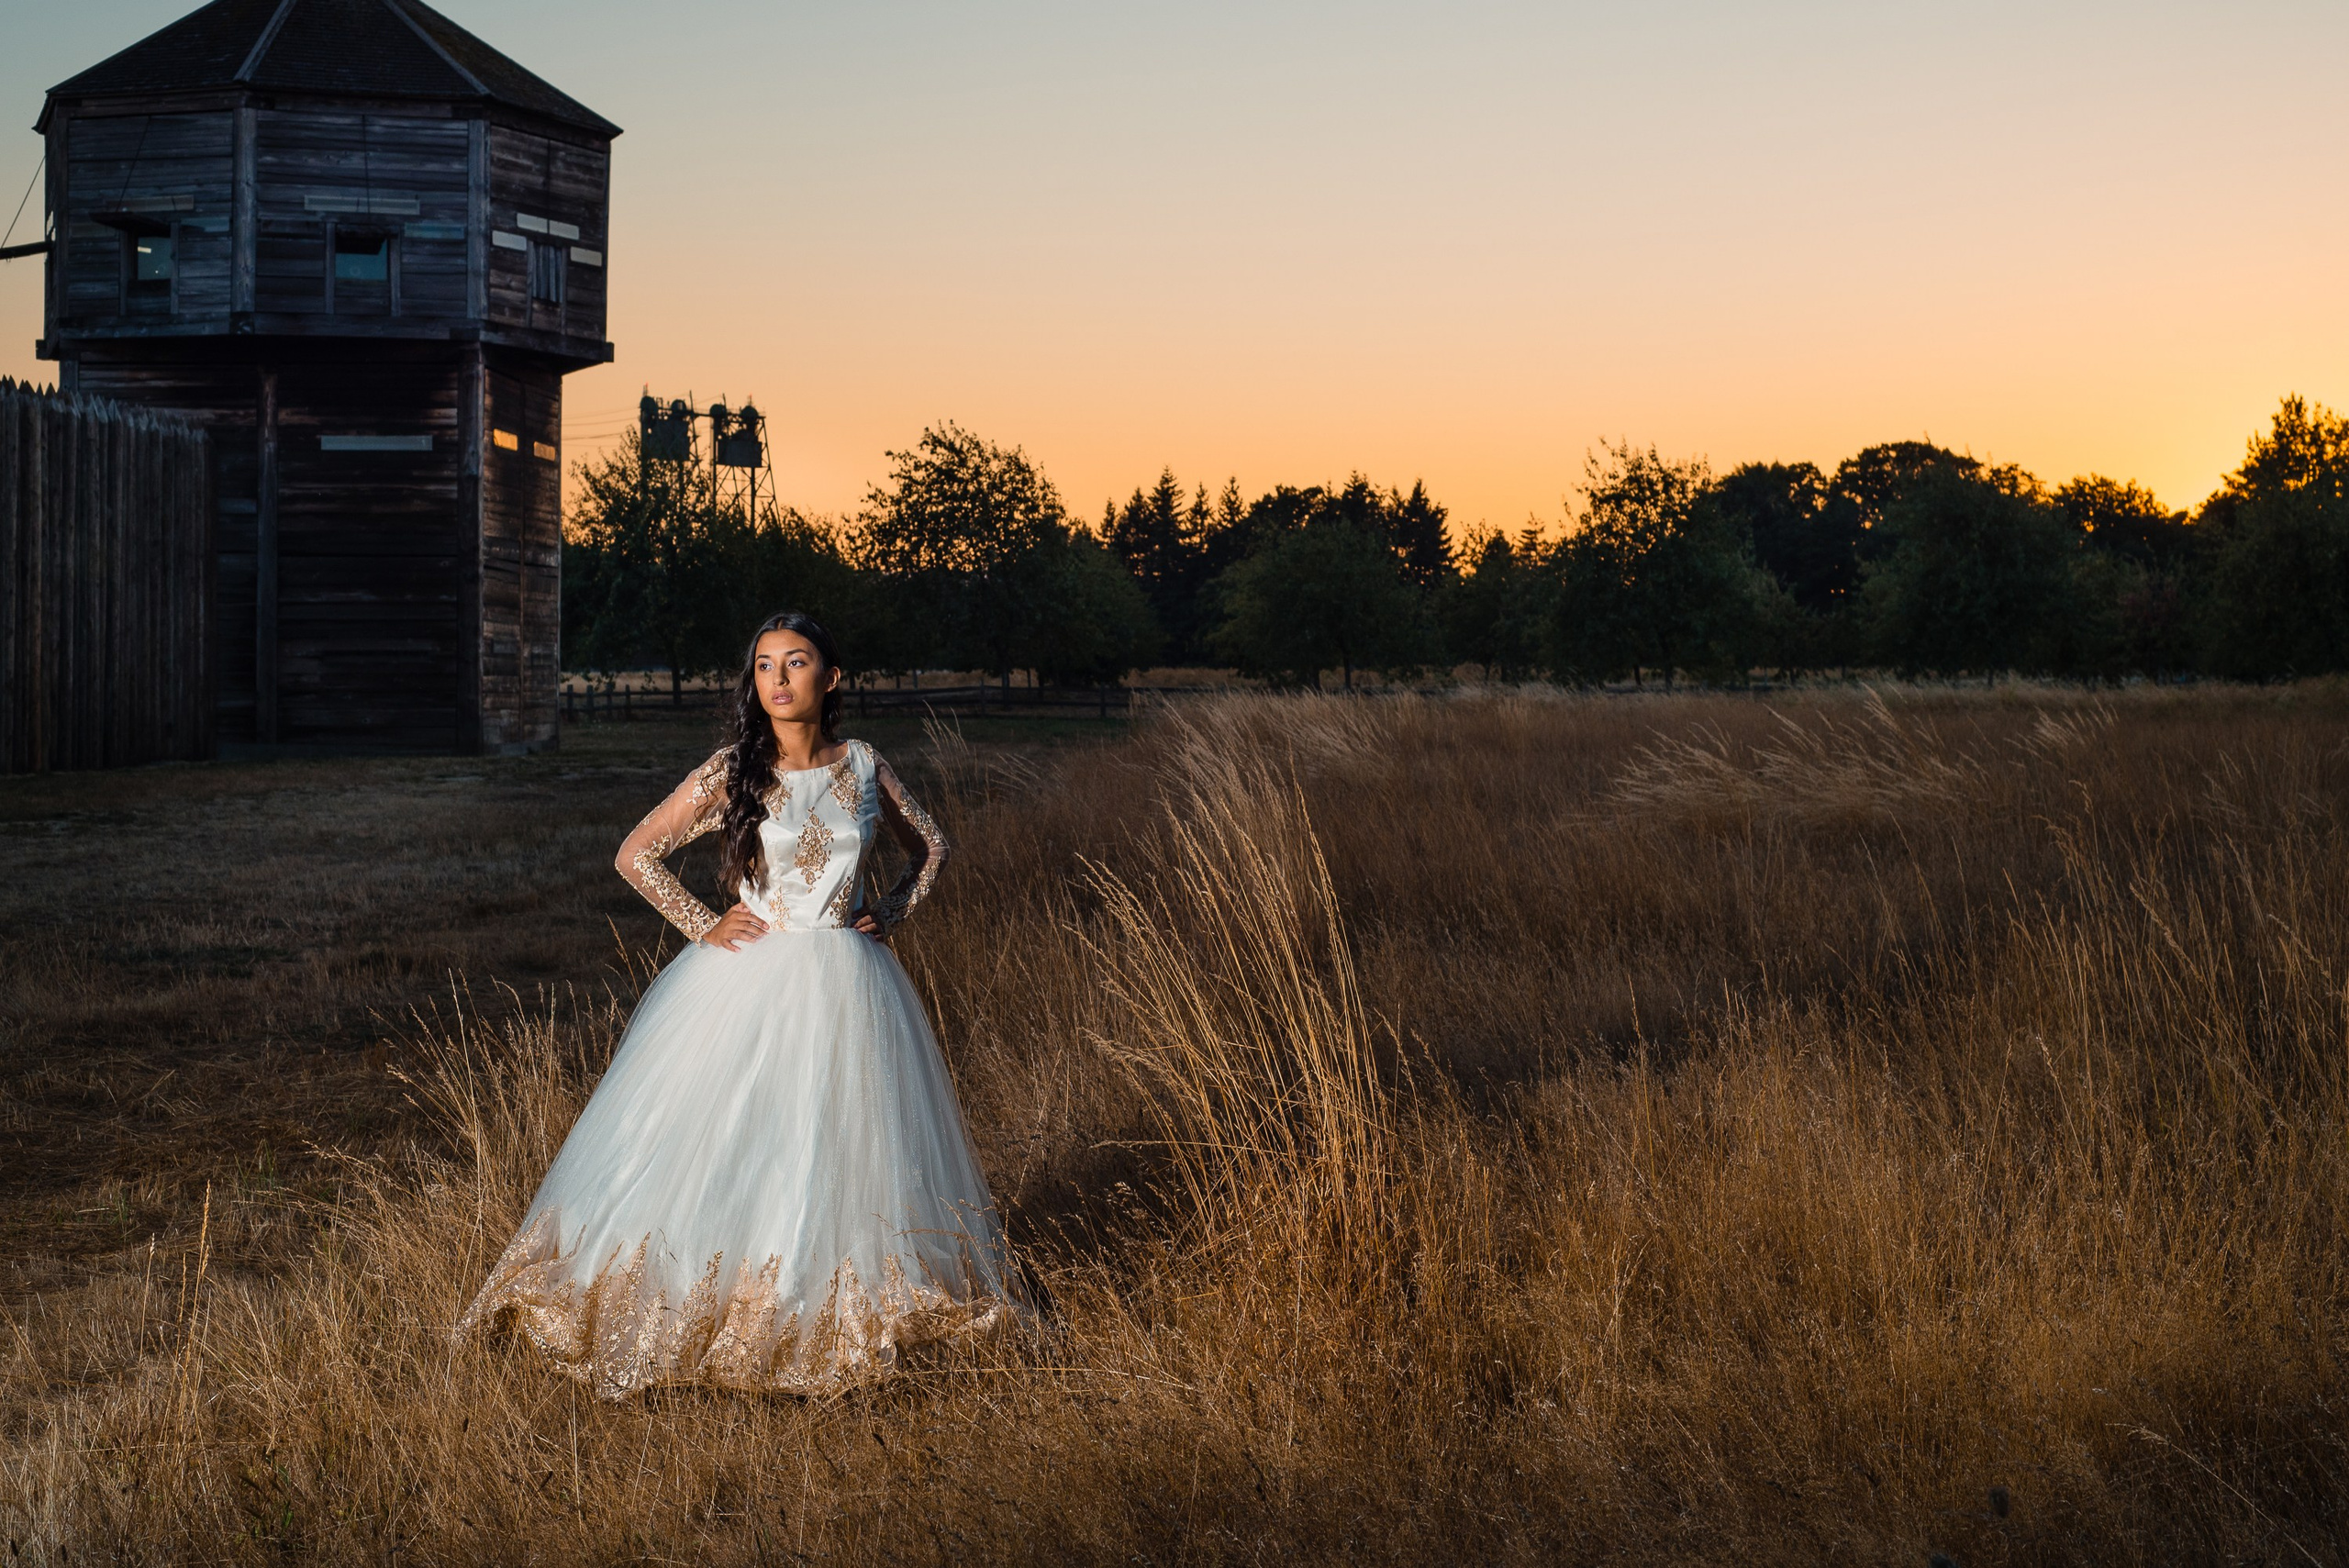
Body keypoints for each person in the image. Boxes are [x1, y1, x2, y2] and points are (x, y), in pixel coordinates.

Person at [454, 612, 1022, 1396]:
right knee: (732, 1136)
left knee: (839, 1142)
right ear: (753, 682)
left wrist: (888, 911)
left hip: (851, 983)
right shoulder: (735, 769)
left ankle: (827, 1299)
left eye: (797, 662)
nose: (780, 679)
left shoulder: (862, 764)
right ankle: (709, 1293)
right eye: (764, 665)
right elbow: (635, 853)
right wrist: (702, 923)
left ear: (832, 677)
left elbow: (934, 846)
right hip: (749, 976)